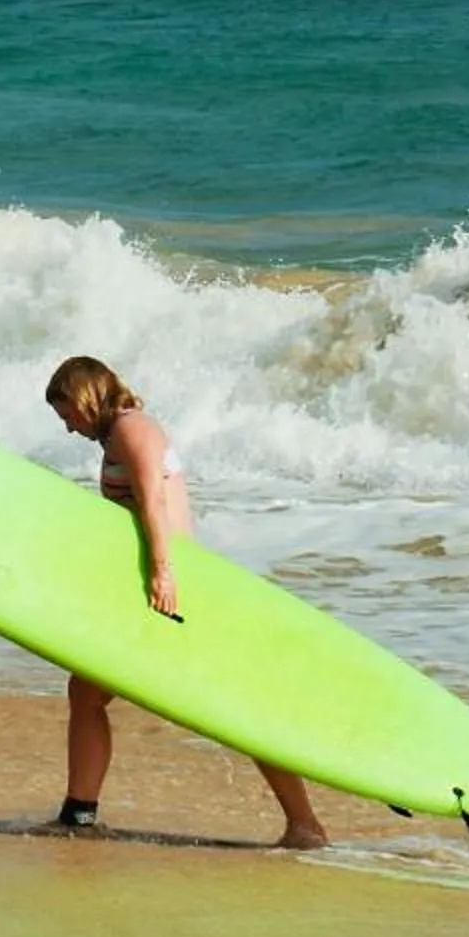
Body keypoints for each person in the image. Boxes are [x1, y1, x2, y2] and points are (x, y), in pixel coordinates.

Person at [42, 354, 329, 850]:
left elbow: (153, 500)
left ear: (87, 397)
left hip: (175, 590)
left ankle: (305, 824)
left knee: (237, 707)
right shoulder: (118, 434)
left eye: (67, 413)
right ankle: (78, 813)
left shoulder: (133, 430)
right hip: (163, 588)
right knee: (86, 692)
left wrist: (162, 574)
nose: (68, 428)